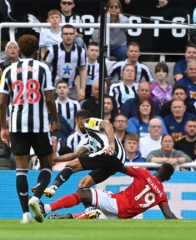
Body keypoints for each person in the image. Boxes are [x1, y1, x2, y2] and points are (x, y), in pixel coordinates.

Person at [0, 34, 60, 224]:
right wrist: (55, 119)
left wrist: (3, 125)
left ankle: (25, 214)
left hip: (17, 125)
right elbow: (49, 98)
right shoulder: (43, 69)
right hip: (39, 124)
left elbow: (1, 102)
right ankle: (37, 196)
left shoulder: (9, 70)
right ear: (36, 51)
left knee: (21, 169)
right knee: (47, 165)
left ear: (19, 50)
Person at [37, 164, 178, 220]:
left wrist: (105, 161)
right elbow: (168, 215)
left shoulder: (144, 173)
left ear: (157, 170)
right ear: (168, 178)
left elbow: (120, 167)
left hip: (117, 203)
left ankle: (47, 209)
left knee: (83, 193)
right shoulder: (162, 195)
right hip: (123, 216)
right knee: (93, 217)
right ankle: (69, 218)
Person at [43, 110, 125, 202]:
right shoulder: (89, 139)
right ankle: (90, 209)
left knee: (71, 165)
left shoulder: (87, 121)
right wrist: (52, 159)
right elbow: (75, 154)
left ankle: (54, 187)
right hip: (117, 162)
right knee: (82, 185)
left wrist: (111, 144)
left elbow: (107, 125)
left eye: (76, 123)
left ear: (78, 120)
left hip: (110, 152)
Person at [44, 24, 87, 101]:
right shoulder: (52, 50)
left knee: (74, 111)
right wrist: (45, 87)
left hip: (72, 89)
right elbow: (44, 67)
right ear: (61, 36)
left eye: (71, 34)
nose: (68, 36)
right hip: (54, 88)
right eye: (66, 34)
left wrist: (82, 89)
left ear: (75, 35)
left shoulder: (81, 51)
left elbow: (83, 69)